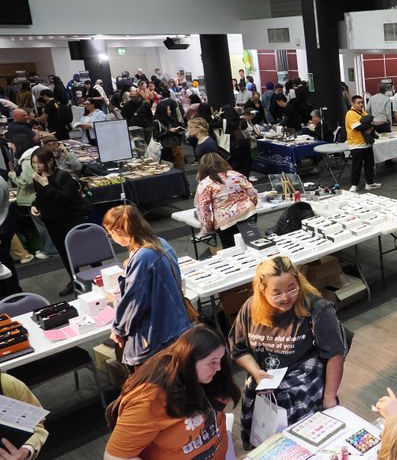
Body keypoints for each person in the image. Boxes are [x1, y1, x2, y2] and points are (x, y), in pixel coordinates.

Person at [104, 325, 241, 460]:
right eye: (212, 362)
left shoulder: (205, 378)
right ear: (190, 361)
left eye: (220, 360)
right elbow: (115, 458)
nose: (218, 368)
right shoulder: (151, 399)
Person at [230, 256, 350, 447]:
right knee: (267, 447)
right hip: (263, 389)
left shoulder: (316, 309)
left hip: (301, 392)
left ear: (299, 281)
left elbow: (335, 355)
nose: (285, 297)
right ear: (262, 290)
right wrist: (255, 371)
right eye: (276, 293)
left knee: (303, 448)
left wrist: (329, 398)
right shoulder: (250, 308)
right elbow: (239, 349)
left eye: (292, 288)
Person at [103, 205, 193, 369]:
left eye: (110, 233)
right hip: (177, 325)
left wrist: (119, 329)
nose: (111, 237)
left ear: (117, 231)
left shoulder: (143, 256)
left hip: (155, 336)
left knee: (154, 388)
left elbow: (134, 301)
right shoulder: (160, 243)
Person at [30, 147, 89, 297]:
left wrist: (46, 185)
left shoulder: (63, 176)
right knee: (64, 253)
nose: (37, 166)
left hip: (70, 219)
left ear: (50, 161)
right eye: (34, 163)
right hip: (52, 221)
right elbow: (41, 196)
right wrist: (35, 205)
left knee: (80, 250)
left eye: (40, 163)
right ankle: (74, 279)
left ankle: (94, 277)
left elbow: (61, 199)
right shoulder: (38, 177)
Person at [194, 152, 259, 248]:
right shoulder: (236, 175)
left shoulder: (205, 184)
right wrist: (250, 206)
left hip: (226, 221)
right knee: (253, 246)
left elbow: (203, 210)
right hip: (247, 213)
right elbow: (253, 193)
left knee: (233, 251)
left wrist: (208, 228)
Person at [345, 95, 381, 192]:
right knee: (357, 165)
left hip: (367, 143)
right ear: (353, 103)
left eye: (362, 102)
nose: (361, 104)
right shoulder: (350, 114)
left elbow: (367, 125)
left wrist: (369, 125)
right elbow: (358, 127)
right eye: (358, 103)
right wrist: (371, 125)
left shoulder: (364, 112)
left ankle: (370, 183)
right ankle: (354, 185)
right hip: (356, 144)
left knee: (370, 164)